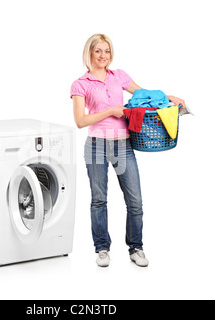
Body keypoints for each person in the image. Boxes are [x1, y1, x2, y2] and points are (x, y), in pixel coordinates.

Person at [70, 34, 185, 268]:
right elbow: (81, 121)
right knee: (99, 200)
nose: (103, 56)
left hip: (124, 144)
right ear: (89, 53)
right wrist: (111, 111)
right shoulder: (80, 84)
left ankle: (136, 248)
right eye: (98, 51)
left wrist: (168, 97)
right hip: (96, 146)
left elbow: (145, 96)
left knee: (135, 202)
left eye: (107, 51)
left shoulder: (119, 76)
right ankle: (102, 249)